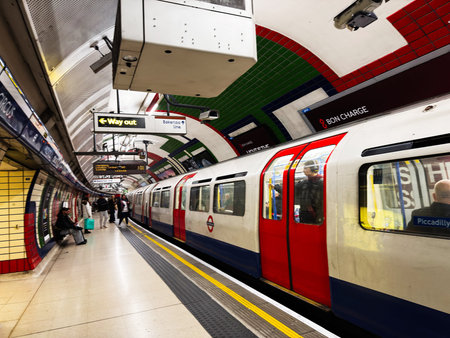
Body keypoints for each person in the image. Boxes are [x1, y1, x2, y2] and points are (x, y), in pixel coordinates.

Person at [294, 160, 323, 224]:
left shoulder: (322, 182)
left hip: (317, 216)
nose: (303, 170)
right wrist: (276, 187)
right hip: (304, 215)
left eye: (305, 168)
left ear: (313, 169)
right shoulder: (304, 182)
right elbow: (291, 189)